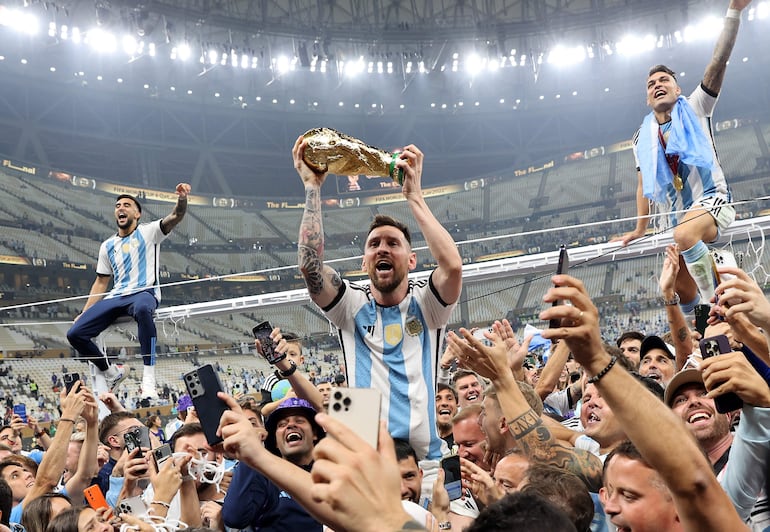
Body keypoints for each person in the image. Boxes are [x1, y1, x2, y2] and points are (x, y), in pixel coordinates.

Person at [293, 137, 463, 462]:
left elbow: (452, 266)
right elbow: (309, 266)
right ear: (364, 263)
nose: (382, 248)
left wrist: (414, 197)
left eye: (393, 243)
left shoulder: (428, 305)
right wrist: (313, 188)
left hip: (426, 464)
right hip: (368, 463)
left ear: (411, 260)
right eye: (374, 244)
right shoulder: (350, 307)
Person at [615, 0, 752, 312]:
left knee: (685, 233)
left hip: (710, 200)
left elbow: (717, 64)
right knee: (678, 285)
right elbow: (642, 186)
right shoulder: (642, 137)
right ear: (647, 97)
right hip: (673, 218)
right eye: (651, 84)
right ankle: (701, 324)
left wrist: (734, 11)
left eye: (664, 80)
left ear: (677, 90)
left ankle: (720, 309)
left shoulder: (696, 107)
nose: (657, 85)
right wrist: (639, 228)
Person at [67, 184, 192, 402]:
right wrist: (85, 312)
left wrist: (182, 199)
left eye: (126, 205)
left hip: (143, 292)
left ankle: (148, 379)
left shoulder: (149, 231)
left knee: (144, 309)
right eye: (117, 206)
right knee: (75, 333)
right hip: (116, 296)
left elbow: (176, 216)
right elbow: (100, 282)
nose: (120, 208)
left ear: (137, 213)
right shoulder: (107, 246)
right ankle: (110, 372)